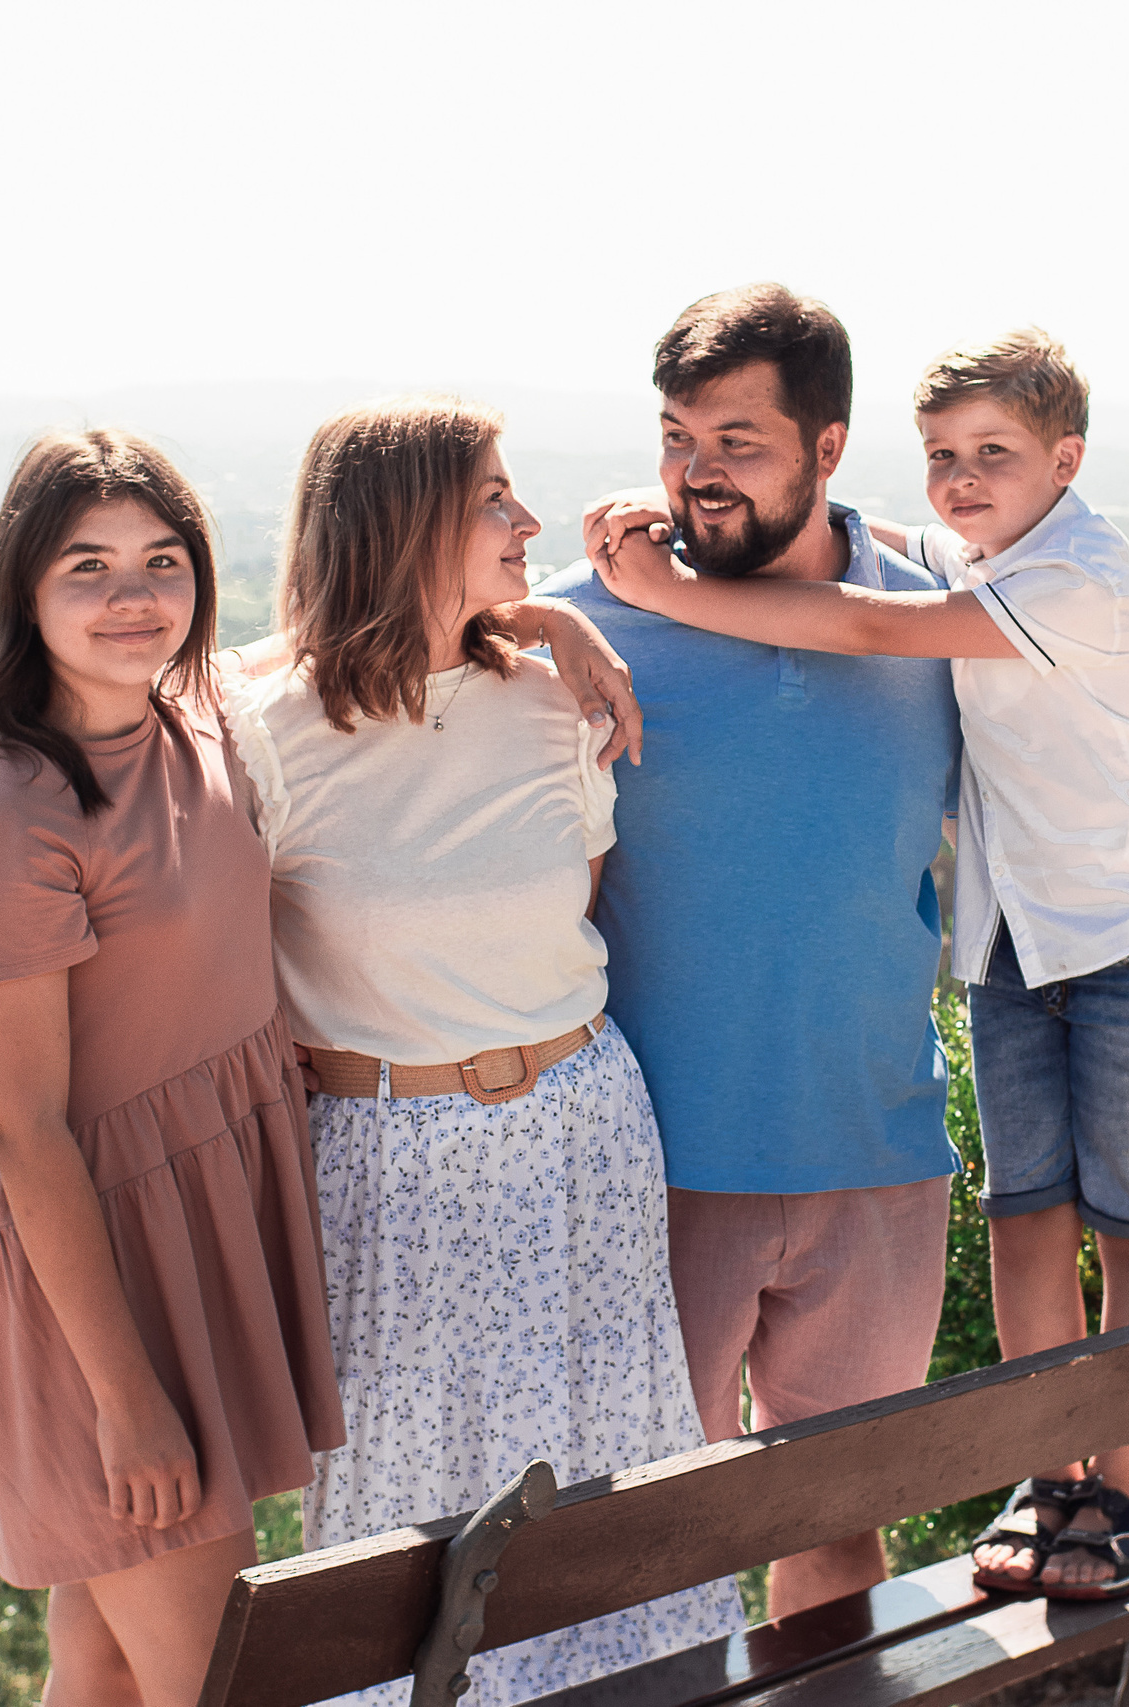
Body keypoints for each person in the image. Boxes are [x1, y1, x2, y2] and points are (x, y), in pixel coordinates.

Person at [537, 286, 1129, 1616]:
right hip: (655, 1167)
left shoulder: (941, 607)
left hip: (876, 1161)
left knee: (838, 1542)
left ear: (827, 448)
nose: (698, 473)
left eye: (739, 441)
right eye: (677, 438)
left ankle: (1096, 1498)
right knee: (642, 1575)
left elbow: (1059, 786)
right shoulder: (586, 622)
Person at [221, 396, 742, 1700]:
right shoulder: (256, 729)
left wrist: (548, 626)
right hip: (390, 1170)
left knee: (612, 1474)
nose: (527, 519)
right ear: (400, 525)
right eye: (492, 500)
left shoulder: (553, 702)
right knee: (405, 1518)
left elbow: (576, 904)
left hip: (582, 1132)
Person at [0, 429, 345, 1706]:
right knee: (224, 1681)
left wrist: (559, 625)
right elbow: (28, 1130)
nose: (133, 597)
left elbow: (374, 636)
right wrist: (129, 1400)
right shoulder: (9, 815)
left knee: (99, 1667)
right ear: (23, 590)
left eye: (162, 561)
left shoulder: (197, 717)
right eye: (86, 568)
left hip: (197, 1240)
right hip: (97, 1292)